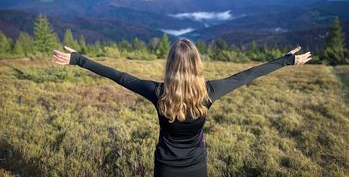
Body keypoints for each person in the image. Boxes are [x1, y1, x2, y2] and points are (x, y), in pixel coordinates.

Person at [53, 39, 311, 177]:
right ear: (197, 65)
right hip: (197, 165)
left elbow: (120, 76)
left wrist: (79, 60)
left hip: (165, 165)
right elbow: (246, 75)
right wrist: (286, 60)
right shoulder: (209, 92)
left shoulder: (158, 93)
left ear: (170, 66)